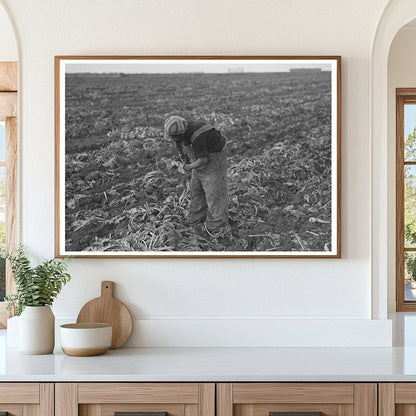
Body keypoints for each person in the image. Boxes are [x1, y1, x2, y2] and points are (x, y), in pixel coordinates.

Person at [164, 115, 229, 237]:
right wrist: (183, 158)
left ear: (181, 133)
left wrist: (187, 167)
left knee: (214, 194)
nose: (173, 139)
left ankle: (217, 227)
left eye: (175, 137)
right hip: (199, 159)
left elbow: (203, 160)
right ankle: (197, 219)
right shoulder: (181, 131)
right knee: (196, 190)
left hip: (214, 159)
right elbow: (178, 144)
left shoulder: (198, 135)